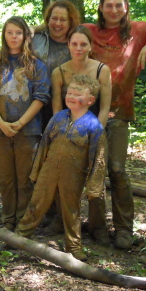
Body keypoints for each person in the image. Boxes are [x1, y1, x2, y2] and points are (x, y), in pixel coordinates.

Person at [81, 0, 146, 251]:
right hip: (89, 112)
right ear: (100, 8)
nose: (113, 10)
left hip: (120, 112)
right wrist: (32, 29)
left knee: (118, 169)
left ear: (126, 8)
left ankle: (123, 228)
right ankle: (98, 227)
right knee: (95, 169)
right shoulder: (88, 30)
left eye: (118, 5)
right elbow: (57, 26)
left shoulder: (139, 30)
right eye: (108, 5)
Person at [15, 74, 107, 261]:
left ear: (90, 100)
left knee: (71, 210)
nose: (71, 97)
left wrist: (93, 187)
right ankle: (19, 236)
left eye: (77, 94)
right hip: (49, 171)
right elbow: (44, 145)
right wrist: (37, 170)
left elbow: (98, 158)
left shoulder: (94, 126)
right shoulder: (57, 118)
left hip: (74, 175)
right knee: (36, 203)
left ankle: (73, 246)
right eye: (69, 93)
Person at [0, 16, 51, 231]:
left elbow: (41, 97)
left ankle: (23, 221)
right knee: (6, 178)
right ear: (4, 35)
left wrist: (20, 123)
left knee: (25, 178)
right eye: (9, 32)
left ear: (26, 36)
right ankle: (8, 219)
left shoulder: (36, 65)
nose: (14, 37)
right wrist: (1, 123)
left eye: (18, 33)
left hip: (28, 131)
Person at [45, 25, 111, 241]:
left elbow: (105, 107)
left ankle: (98, 226)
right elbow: (57, 109)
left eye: (83, 44)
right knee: (63, 173)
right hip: (67, 131)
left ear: (91, 46)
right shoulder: (59, 72)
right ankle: (61, 219)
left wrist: (95, 134)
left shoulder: (102, 70)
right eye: (74, 44)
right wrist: (65, 134)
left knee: (95, 174)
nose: (79, 48)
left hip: (94, 130)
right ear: (68, 45)